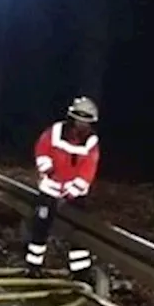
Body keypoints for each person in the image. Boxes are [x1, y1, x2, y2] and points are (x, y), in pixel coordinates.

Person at [25, 96, 100, 280]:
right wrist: (47, 167)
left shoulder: (91, 141)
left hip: (75, 196)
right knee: (40, 227)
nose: (82, 125)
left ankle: (80, 273)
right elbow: (42, 149)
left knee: (78, 233)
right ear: (72, 118)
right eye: (79, 120)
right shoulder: (55, 131)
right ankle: (33, 267)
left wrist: (73, 190)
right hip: (49, 190)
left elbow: (89, 168)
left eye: (86, 122)